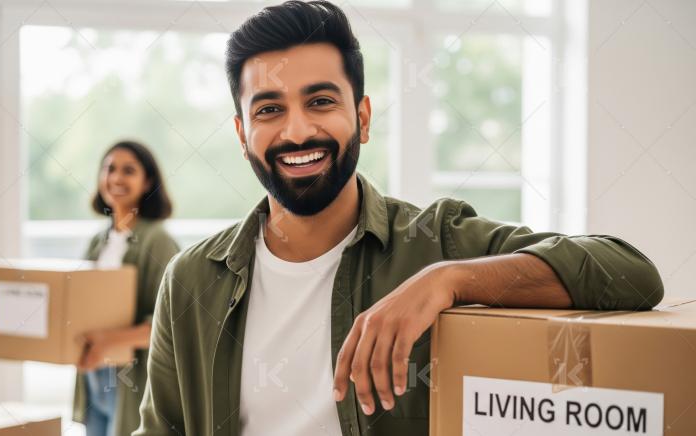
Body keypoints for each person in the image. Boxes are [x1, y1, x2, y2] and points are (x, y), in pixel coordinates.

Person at [133, 2, 665, 435]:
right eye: (269, 109)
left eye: (320, 101)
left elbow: (631, 273)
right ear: (241, 133)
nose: (296, 132)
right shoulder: (192, 280)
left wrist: (448, 281)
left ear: (362, 119)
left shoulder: (436, 243)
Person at [72, 140, 179, 436]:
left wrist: (108, 339)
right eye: (109, 168)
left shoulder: (158, 241)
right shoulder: (99, 241)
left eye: (128, 170)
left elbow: (167, 324)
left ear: (147, 183)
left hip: (132, 378)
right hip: (95, 373)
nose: (116, 178)